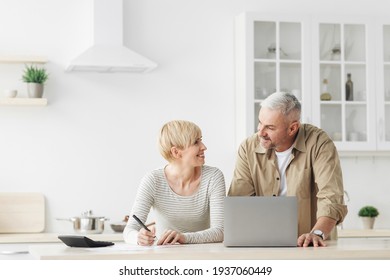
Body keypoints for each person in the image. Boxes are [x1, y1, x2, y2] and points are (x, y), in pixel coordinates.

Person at [228, 92, 348, 247]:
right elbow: (239, 201)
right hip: (264, 243)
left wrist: (317, 233)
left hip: (312, 245)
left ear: (292, 128)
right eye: (260, 123)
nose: (261, 133)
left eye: (270, 127)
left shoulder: (319, 143)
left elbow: (331, 197)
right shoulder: (247, 148)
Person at [123, 120, 225, 245]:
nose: (204, 146)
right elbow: (129, 230)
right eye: (195, 142)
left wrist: (184, 238)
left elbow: (220, 231)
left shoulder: (213, 177)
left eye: (201, 140)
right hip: (165, 256)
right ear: (176, 152)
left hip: (204, 256)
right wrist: (138, 238)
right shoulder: (153, 180)